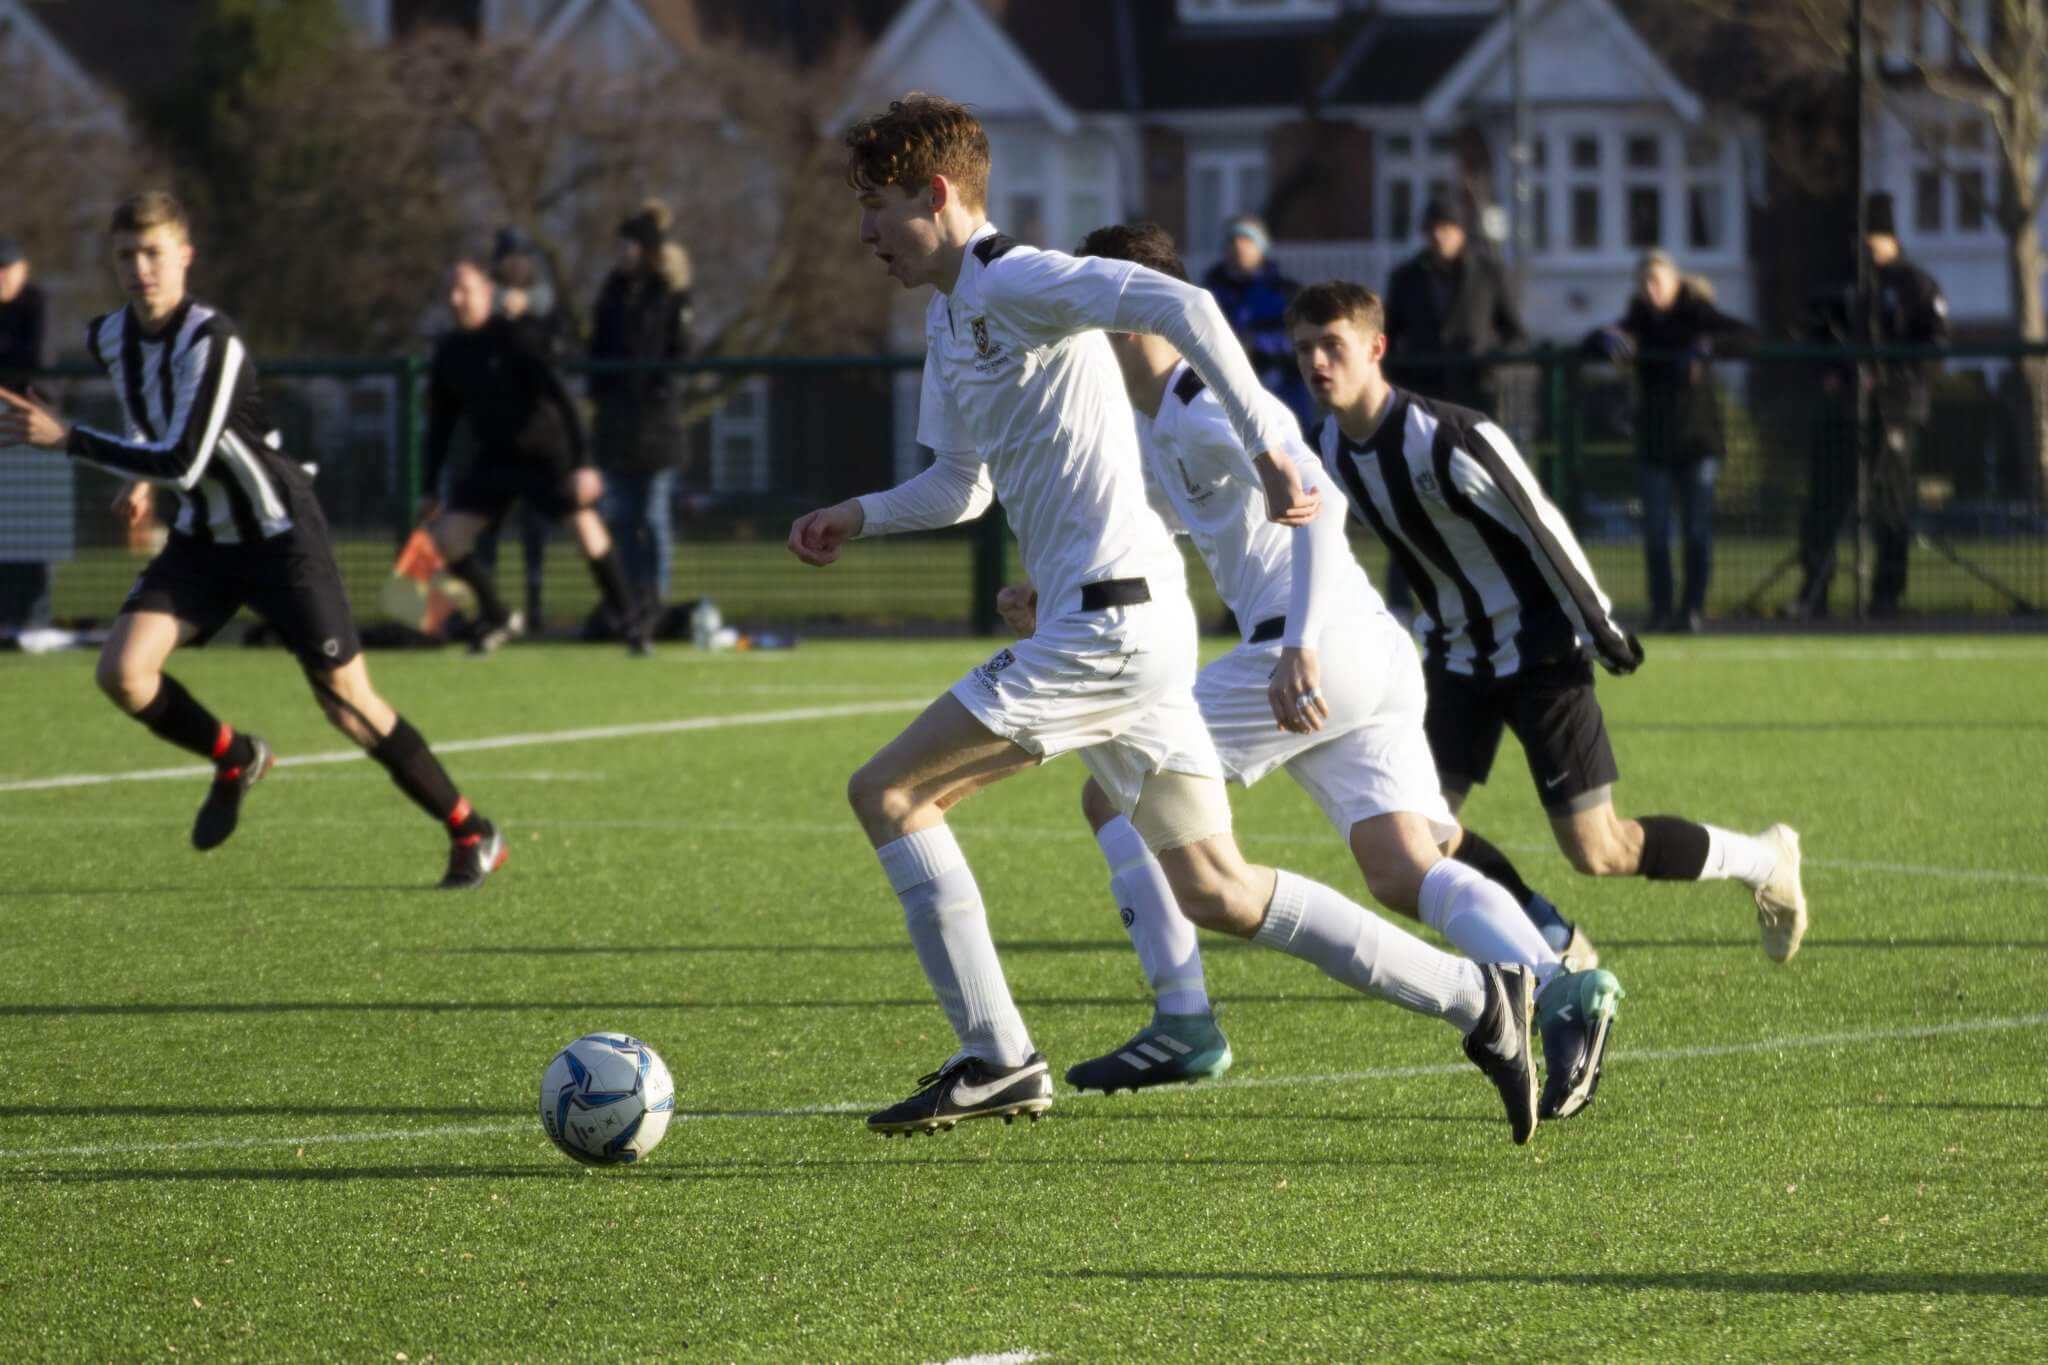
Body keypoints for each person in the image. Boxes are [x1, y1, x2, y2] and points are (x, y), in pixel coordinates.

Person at [790, 95, 1551, 1146]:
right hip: (1127, 630)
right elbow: (962, 486)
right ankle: (1481, 998)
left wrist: (1270, 440)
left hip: (1103, 636)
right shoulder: (948, 317)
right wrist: (858, 515)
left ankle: (998, 1055)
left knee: (887, 791)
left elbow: (1180, 303)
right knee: (1217, 889)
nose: (864, 230)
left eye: (876, 205)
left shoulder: (1018, 277)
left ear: (936, 193)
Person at [996, 221, 1621, 1122]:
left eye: (1082, 298)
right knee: (1402, 865)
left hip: (1317, 649)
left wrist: (1298, 644)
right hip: (1366, 651)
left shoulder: (1203, 404)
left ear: (1121, 308)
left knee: (1113, 791)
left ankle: (1184, 1017)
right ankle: (1563, 988)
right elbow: (1161, 520)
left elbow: (1318, 504)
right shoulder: (1166, 415)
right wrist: (1050, 593)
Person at [1287, 280, 1810, 962]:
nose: (1316, 361)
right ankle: (1556, 942)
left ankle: (1765, 860)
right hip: (1452, 660)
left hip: (1540, 653)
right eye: (1304, 348)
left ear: (1376, 348)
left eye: (1333, 345)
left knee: (1599, 849)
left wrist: (1599, 624)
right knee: (1422, 832)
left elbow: (1542, 526)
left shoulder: (1450, 438)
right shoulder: (1325, 451)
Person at [0, 192, 505, 888]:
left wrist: (70, 440)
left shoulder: (213, 340)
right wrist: (137, 469)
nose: (141, 268)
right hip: (204, 538)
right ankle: (235, 757)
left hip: (278, 535)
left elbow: (184, 460)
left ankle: (472, 830)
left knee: (347, 703)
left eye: (153, 253)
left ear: (185, 256)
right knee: (123, 673)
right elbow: (153, 417)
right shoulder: (109, 336)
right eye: (126, 255)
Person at [418, 258, 649, 656]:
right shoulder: (450, 352)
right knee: (446, 539)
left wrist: (583, 463)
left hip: (544, 454)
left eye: (465, 290)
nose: (456, 299)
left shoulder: (516, 336)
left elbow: (562, 397)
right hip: (494, 460)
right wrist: (428, 487)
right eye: (451, 291)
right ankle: (499, 616)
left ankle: (630, 619)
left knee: (586, 530)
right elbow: (441, 424)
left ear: (487, 293)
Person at [1790, 193, 1950, 619]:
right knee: (1825, 500)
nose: (1864, 245)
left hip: (1894, 410)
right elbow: (1813, 334)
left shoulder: (1916, 285)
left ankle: (1886, 594)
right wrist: (1831, 372)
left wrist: (1893, 376)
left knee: (1890, 501)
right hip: (1844, 410)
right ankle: (1815, 589)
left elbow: (1934, 345)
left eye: (1871, 236)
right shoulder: (1845, 285)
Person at [1590, 251, 1755, 633]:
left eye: (1658, 282)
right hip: (1656, 442)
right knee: (1656, 530)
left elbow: (1747, 335)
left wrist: (1708, 347)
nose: (1651, 290)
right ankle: (1661, 608)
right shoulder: (1639, 320)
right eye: (1645, 283)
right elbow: (1594, 341)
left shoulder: (1696, 314)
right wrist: (1607, 340)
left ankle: (1692, 608)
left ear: (1675, 282)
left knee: (1697, 529)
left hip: (1697, 439)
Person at [589, 202, 691, 627]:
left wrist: (657, 390)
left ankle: (656, 598)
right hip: (618, 422)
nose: (622, 253)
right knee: (623, 516)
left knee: (652, 514)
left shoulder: (667, 293)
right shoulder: (612, 291)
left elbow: (678, 351)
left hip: (656, 424)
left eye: (629, 245)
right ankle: (630, 597)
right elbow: (598, 347)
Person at [466, 248, 561, 633]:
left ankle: (534, 605)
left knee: (536, 530)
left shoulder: (539, 324)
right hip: (493, 447)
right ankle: (490, 609)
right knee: (481, 531)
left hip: (534, 447)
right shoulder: (484, 329)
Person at [1383, 196, 1528, 415]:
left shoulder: (1489, 274)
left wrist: (1490, 368)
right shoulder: (1406, 278)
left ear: (1462, 232)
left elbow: (1516, 335)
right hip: (1423, 395)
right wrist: (1401, 375)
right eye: (1432, 229)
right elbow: (1388, 334)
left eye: (1446, 229)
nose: (1438, 236)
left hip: (1476, 395)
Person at [1199, 214, 1313, 429]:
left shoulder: (1286, 292)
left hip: (1284, 395)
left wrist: (1257, 345)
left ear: (1262, 246)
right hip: (1226, 398)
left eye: (1247, 239)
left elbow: (1302, 340)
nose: (1238, 246)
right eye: (1232, 240)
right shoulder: (1206, 294)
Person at [0, 235, 58, 633]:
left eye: (7, 268)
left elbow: (36, 364)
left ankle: (34, 618)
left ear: (23, 269)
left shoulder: (38, 304)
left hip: (35, 429)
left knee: (35, 530)